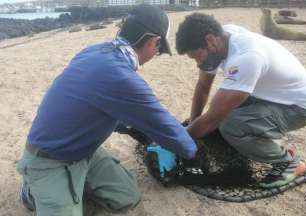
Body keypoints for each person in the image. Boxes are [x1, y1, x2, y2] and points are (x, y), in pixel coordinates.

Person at [17, 4, 197, 215]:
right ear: (153, 42)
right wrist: (192, 154)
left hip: (85, 151)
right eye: (159, 49)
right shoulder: (120, 76)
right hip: (48, 159)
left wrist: (135, 130)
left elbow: (99, 107)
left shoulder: (94, 51)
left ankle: (75, 185)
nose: (156, 53)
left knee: (127, 197)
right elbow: (167, 128)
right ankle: (31, 192)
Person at [175, 13, 306, 188]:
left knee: (231, 125)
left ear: (211, 40)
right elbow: (203, 87)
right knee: (212, 122)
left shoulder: (246, 57)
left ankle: (288, 162)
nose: (198, 63)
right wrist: (193, 122)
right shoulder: (223, 37)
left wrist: (179, 141)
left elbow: (214, 117)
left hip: (298, 107)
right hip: (273, 94)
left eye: (198, 56)